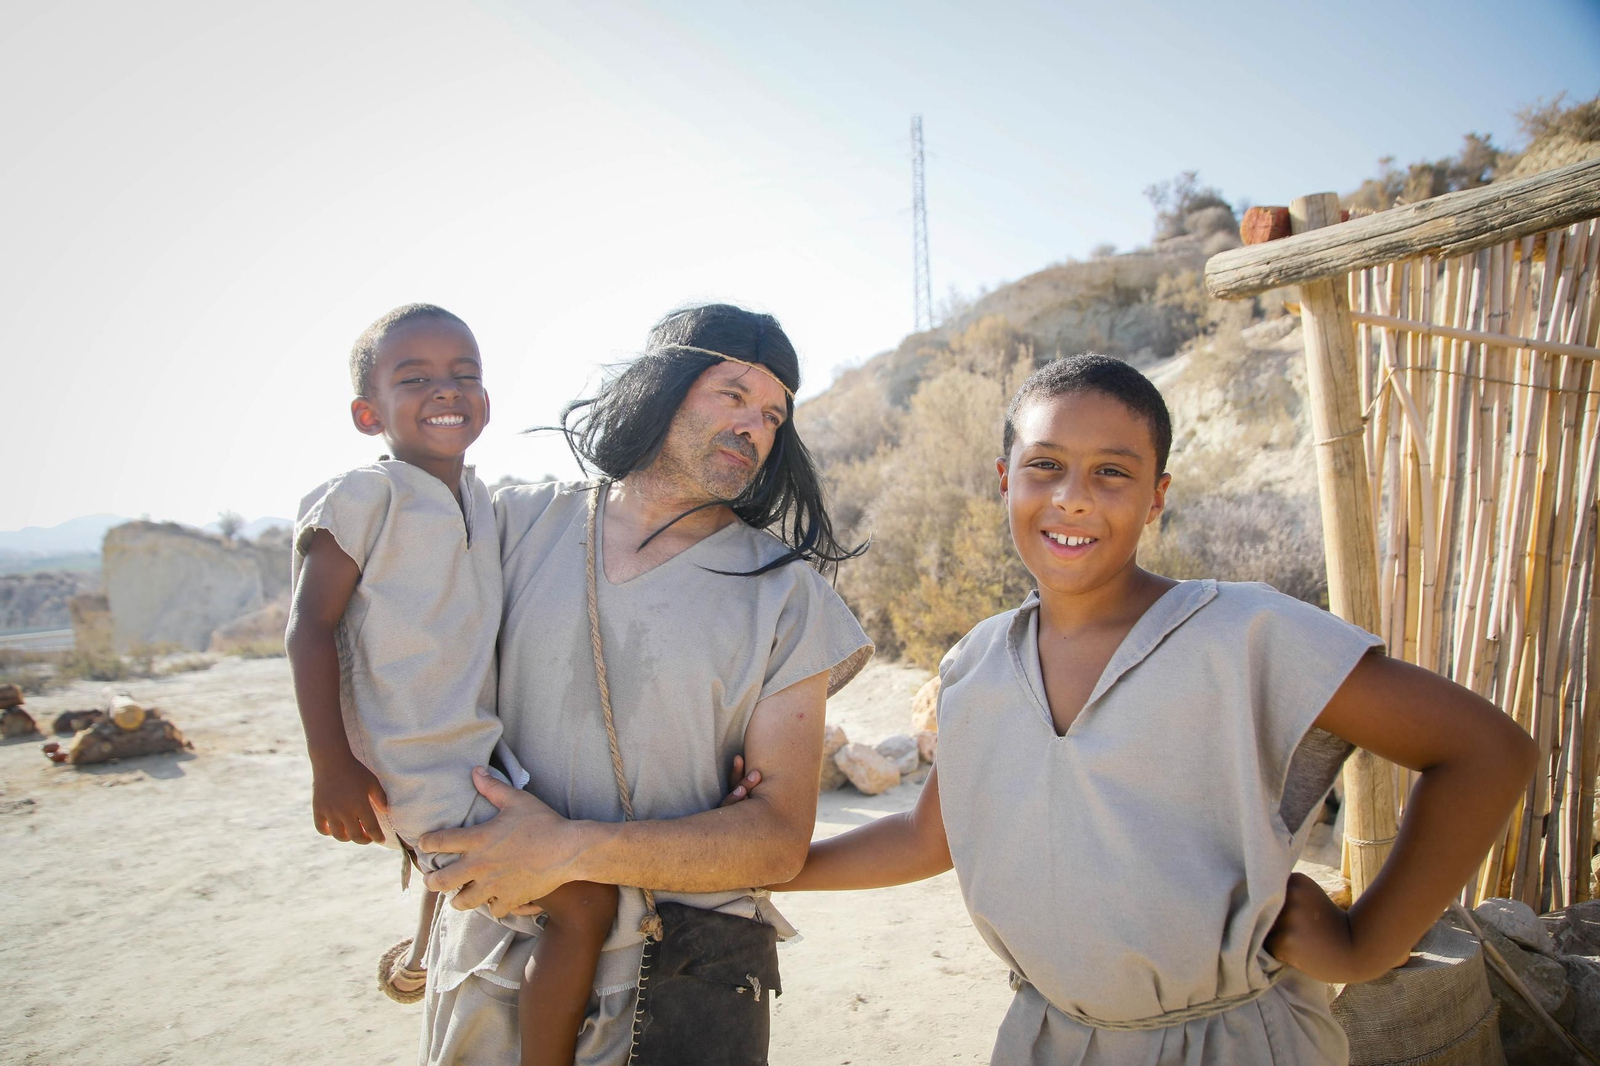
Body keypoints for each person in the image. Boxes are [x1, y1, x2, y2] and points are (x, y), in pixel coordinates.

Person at [771, 353, 1537, 1065]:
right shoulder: (976, 664)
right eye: (1046, 466)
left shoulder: (1244, 636)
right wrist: (773, 866)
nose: (1072, 496)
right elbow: (929, 836)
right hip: (1045, 1036)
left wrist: (1368, 942)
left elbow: (1485, 751)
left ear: (1157, 497)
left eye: (1112, 472)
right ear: (1005, 479)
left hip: (1234, 1038)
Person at [414, 303, 873, 1066]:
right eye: (732, 395)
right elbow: (405, 679)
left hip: (683, 981)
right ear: (663, 387)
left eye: (772, 414)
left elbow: (776, 840)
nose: (753, 427)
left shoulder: (787, 599)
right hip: (492, 961)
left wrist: (567, 850)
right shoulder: (513, 524)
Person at [284, 303, 617, 1066]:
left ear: (487, 403)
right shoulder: (364, 497)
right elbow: (308, 627)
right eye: (416, 378)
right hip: (415, 762)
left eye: (464, 375)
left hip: (474, 748)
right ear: (369, 413)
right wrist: (331, 767)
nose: (446, 389)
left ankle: (420, 953)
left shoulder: (479, 499)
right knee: (585, 903)